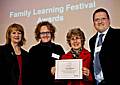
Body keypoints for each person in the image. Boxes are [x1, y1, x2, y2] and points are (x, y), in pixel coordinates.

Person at [89, 8, 120, 85]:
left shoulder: (118, 34)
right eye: (97, 20)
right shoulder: (92, 41)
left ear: (109, 21)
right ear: (93, 23)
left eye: (103, 18)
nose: (100, 22)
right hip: (97, 83)